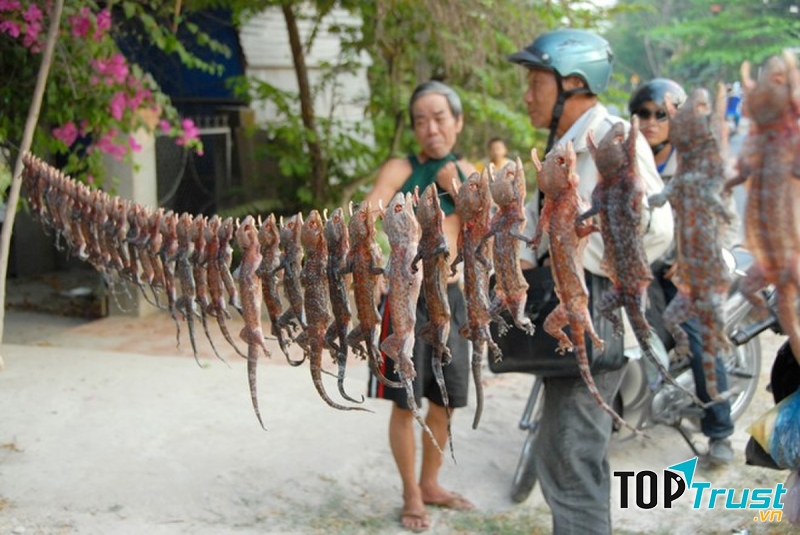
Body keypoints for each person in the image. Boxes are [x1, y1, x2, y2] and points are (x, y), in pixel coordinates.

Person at [509, 29, 674, 534]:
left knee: (571, 460)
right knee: (563, 454)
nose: (527, 94)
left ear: (572, 82)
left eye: (535, 82)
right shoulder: (564, 145)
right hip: (563, 311)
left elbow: (658, 230)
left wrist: (595, 241)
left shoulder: (612, 137)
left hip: (595, 309)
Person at [364, 80, 476, 533]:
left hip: (452, 298)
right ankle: (411, 493)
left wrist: (459, 185)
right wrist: (367, 251)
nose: (430, 128)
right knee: (403, 401)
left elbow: (479, 222)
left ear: (458, 121)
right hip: (403, 299)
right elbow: (370, 210)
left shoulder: (466, 172)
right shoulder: (400, 168)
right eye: (420, 120)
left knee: (445, 399)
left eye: (440, 118)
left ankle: (431, 483)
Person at [628, 78, 737, 465]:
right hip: (646, 265)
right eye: (642, 113)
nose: (650, 121)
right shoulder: (632, 160)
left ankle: (720, 431)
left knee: (700, 341)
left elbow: (721, 219)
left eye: (661, 114)